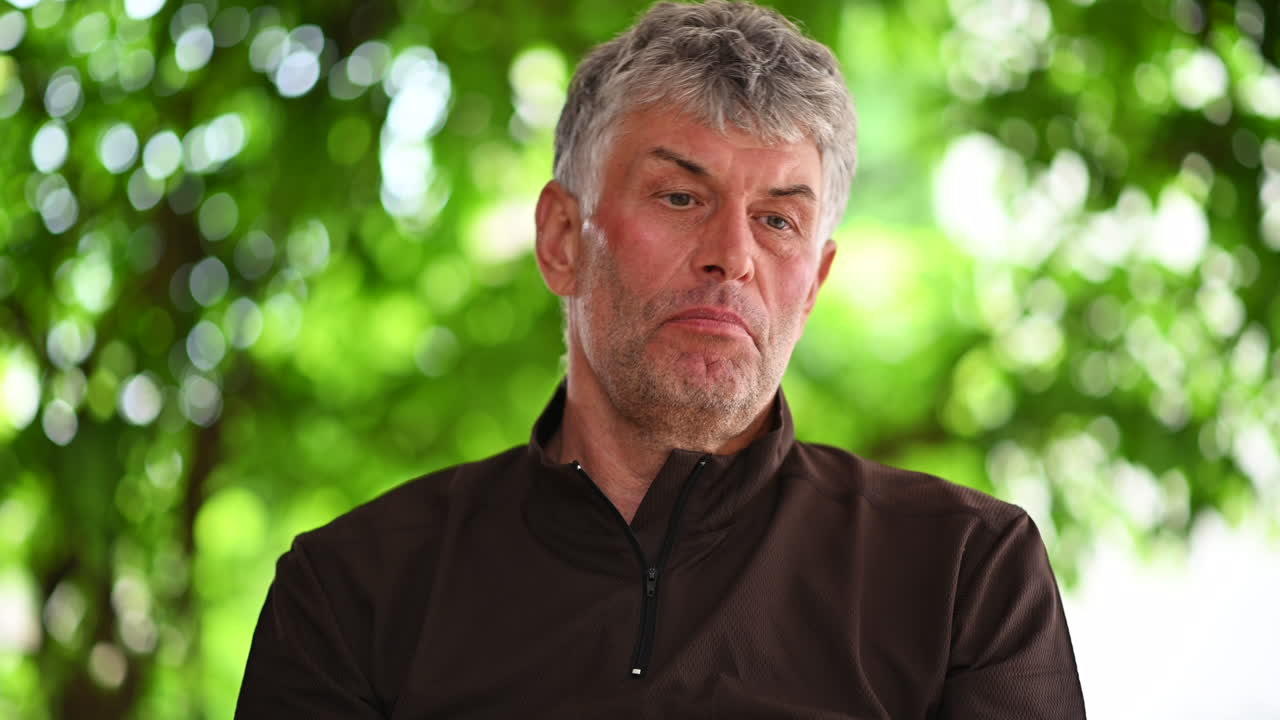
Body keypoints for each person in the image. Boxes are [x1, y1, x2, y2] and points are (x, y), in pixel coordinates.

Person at [236, 1, 1086, 717]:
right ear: (563, 239)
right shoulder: (355, 593)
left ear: (816, 280)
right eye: (682, 197)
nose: (733, 256)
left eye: (779, 219)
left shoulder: (964, 575)